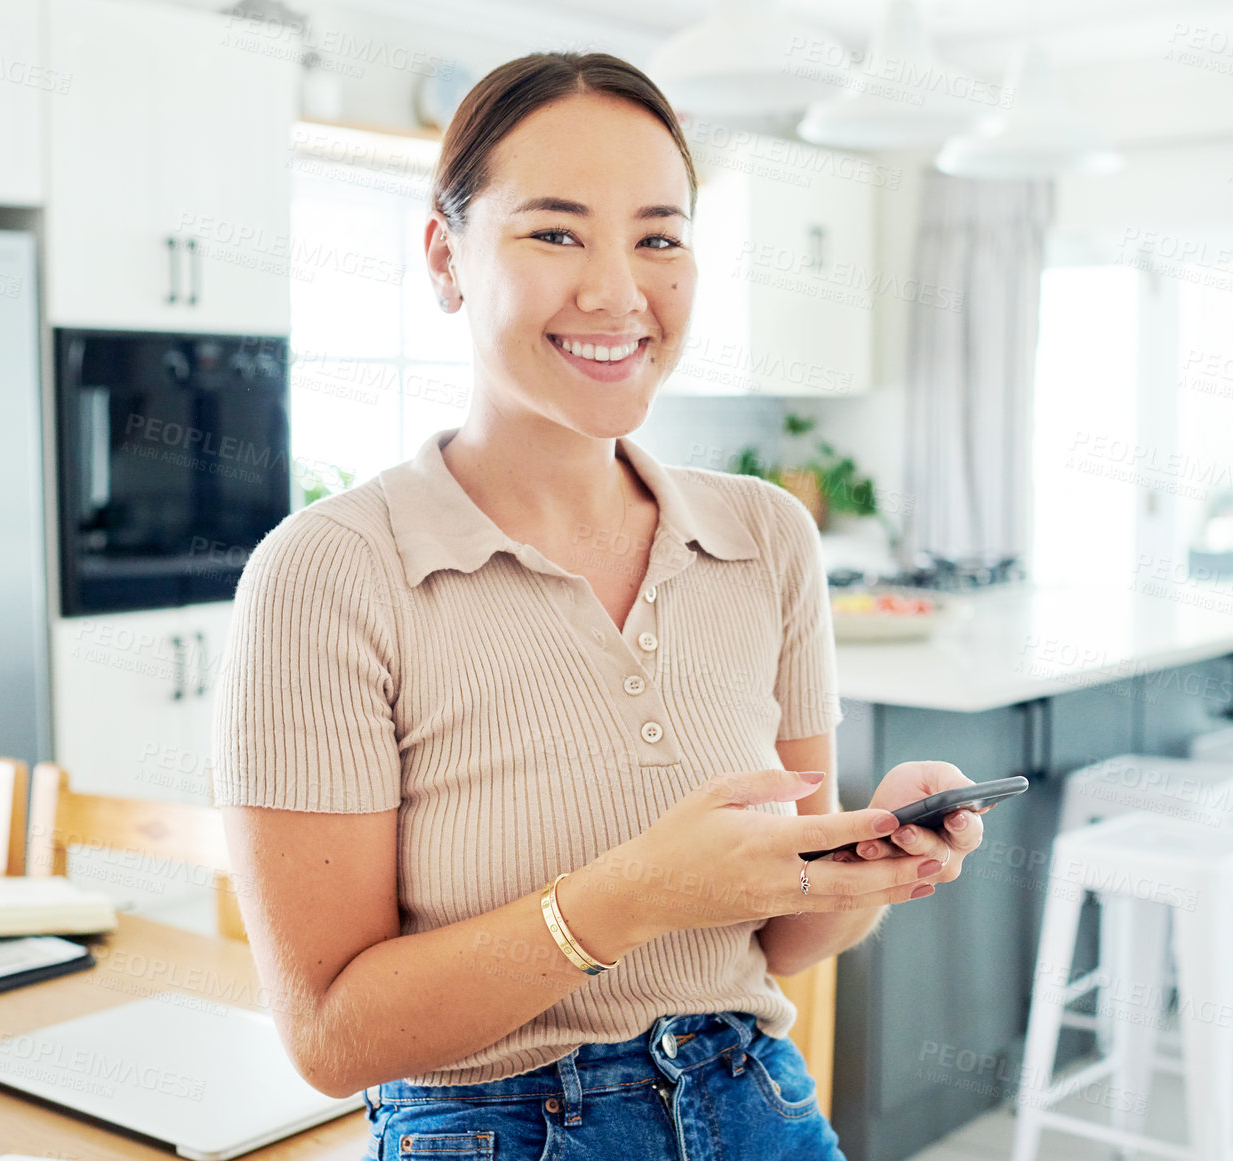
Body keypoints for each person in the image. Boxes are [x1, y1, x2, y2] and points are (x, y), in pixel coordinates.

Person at [213, 50, 993, 1161]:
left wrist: (874, 862)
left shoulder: (765, 536)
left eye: (658, 236)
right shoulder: (328, 573)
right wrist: (623, 897)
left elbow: (776, 934)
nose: (619, 291)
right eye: (555, 232)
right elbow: (333, 1036)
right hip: (491, 1131)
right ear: (445, 257)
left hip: (757, 1106)